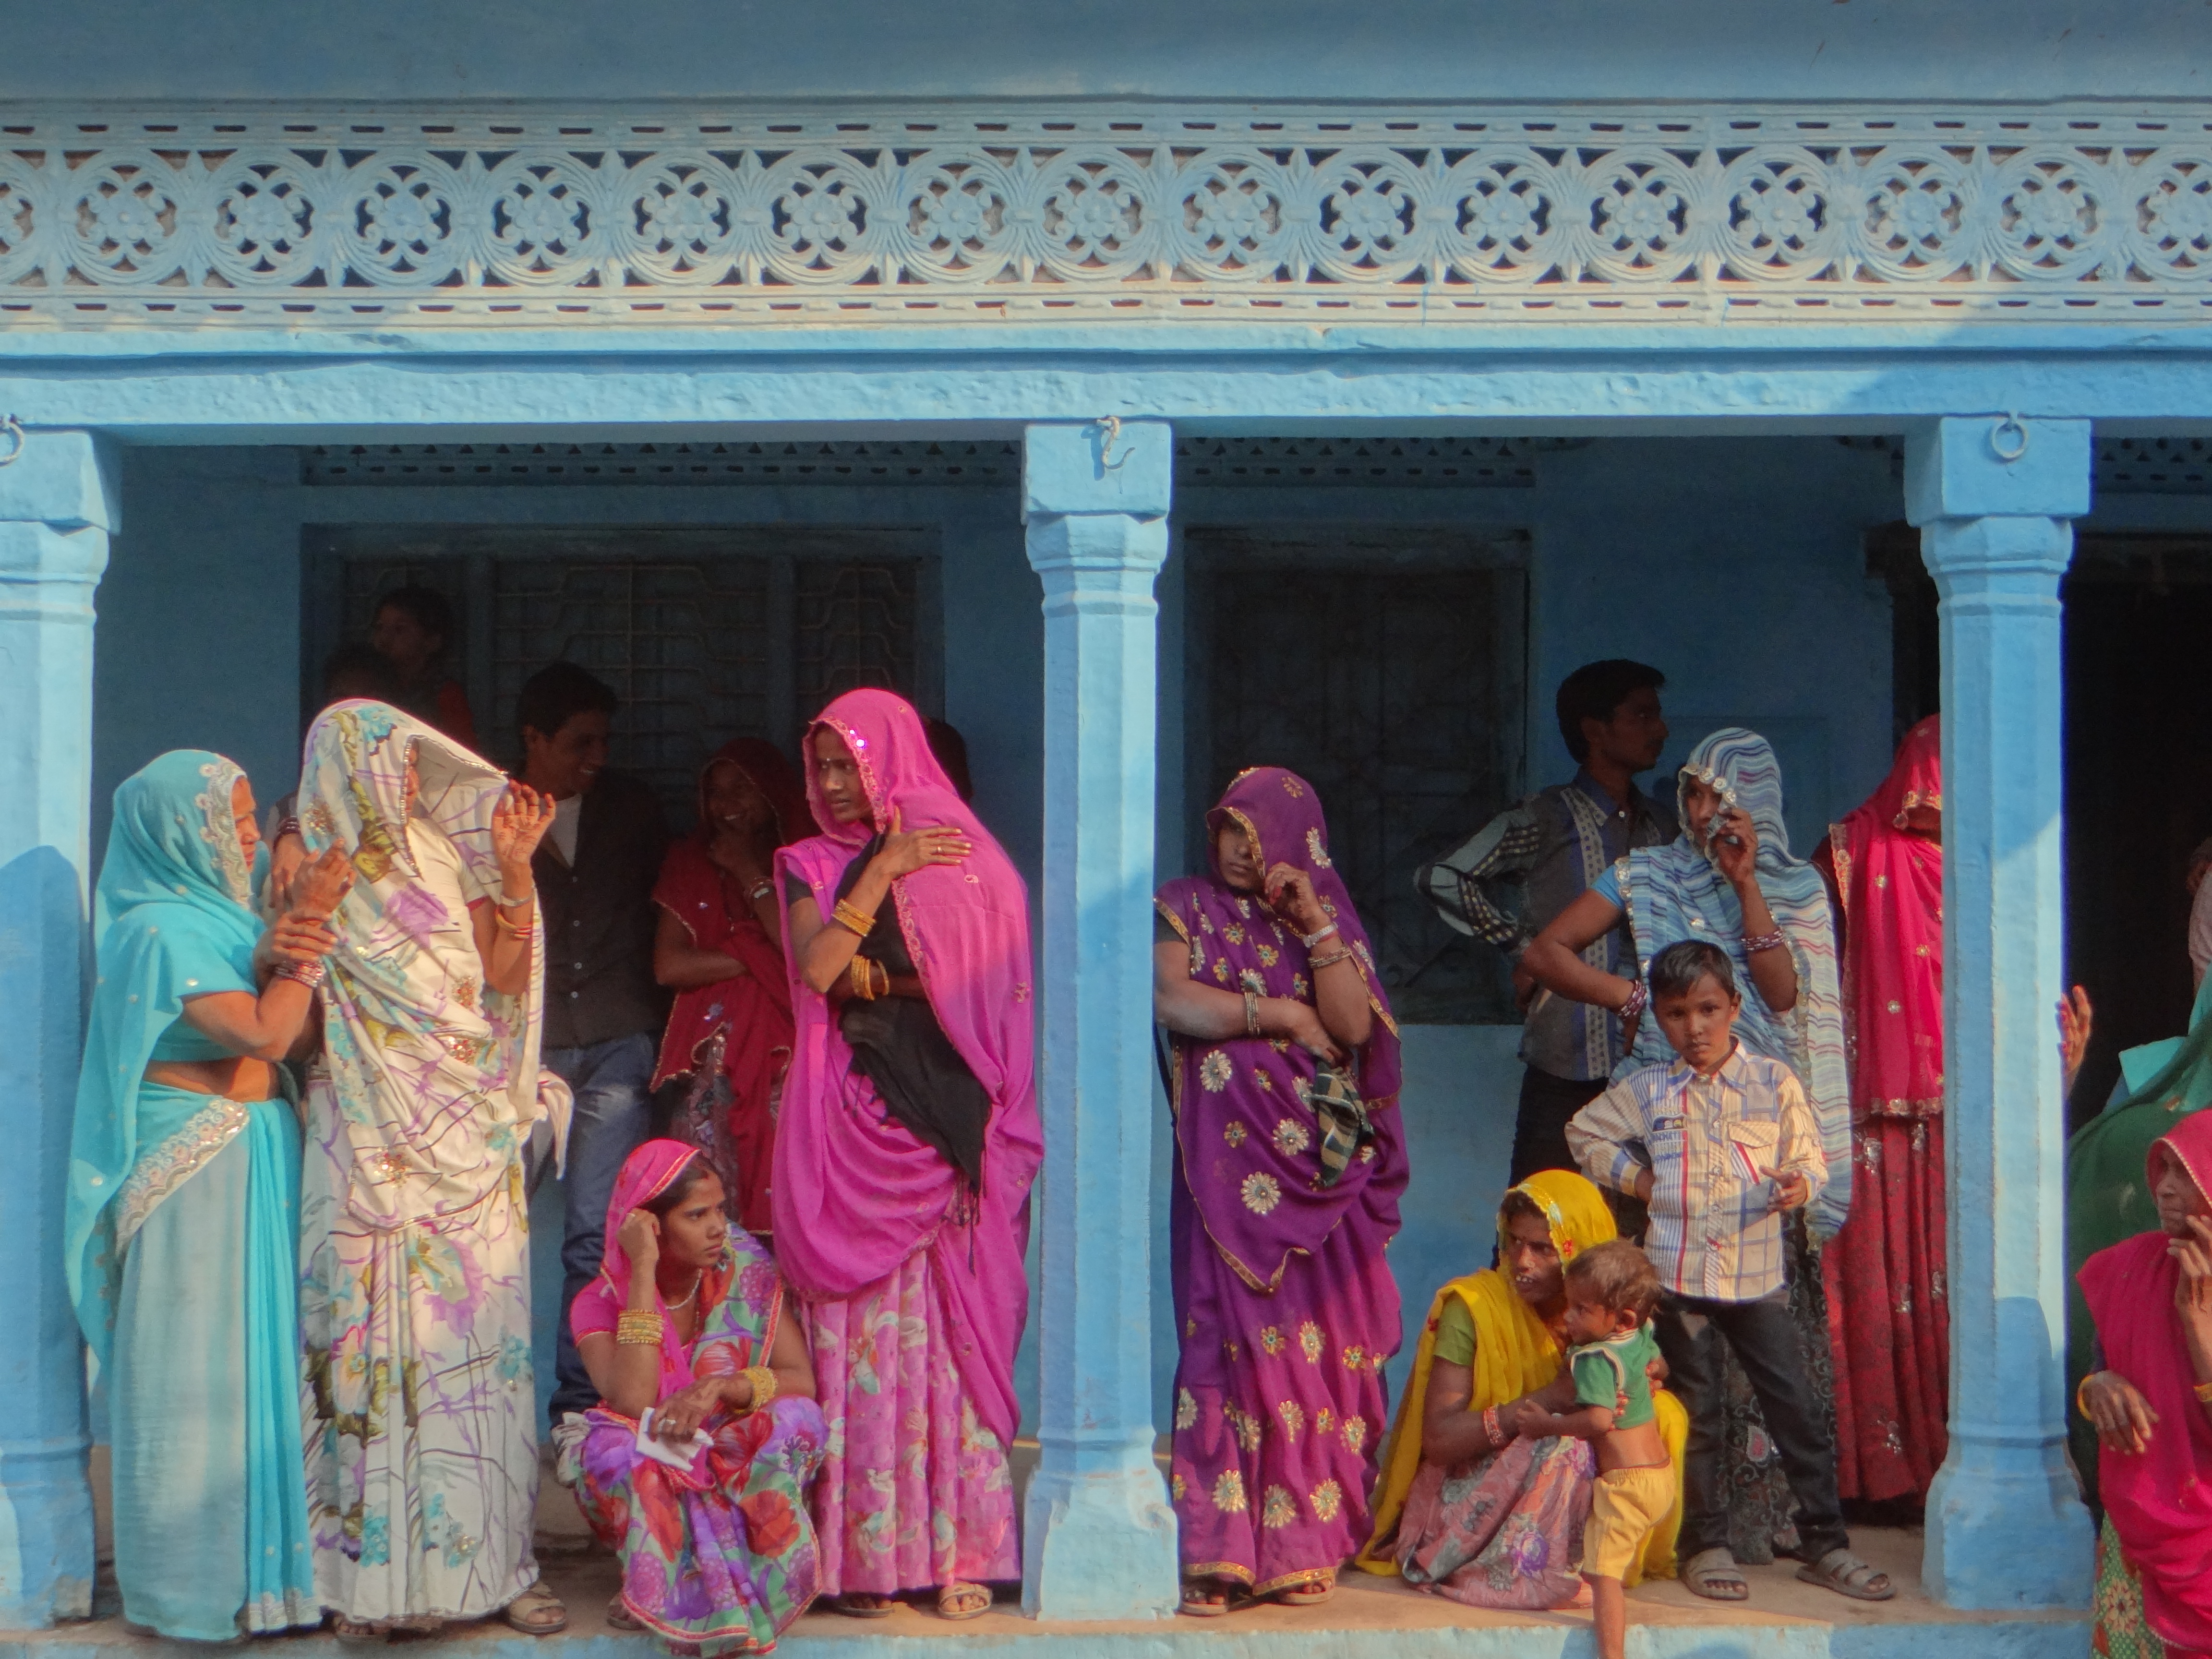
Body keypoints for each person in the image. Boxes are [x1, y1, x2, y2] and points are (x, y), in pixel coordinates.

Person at [1523, 726, 1850, 1566]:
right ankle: (1701, 1539)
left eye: (1720, 797)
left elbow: (1779, 997)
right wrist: (1634, 997)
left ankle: (1795, 1532)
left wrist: (1744, 885)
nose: (1702, 813)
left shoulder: (1793, 889)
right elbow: (1545, 950)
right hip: (1665, 1154)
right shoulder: (1645, 874)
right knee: (1691, 1386)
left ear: (1757, 805)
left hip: (1757, 1166)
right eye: (1692, 796)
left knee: (1781, 1387)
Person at [293, 701, 570, 1637]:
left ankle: (491, 1567)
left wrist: (520, 870)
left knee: (473, 1357)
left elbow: (499, 973)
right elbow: (291, 1000)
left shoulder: (445, 854)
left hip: (461, 1145)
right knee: (364, 1351)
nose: (410, 780)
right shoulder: (307, 865)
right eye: (395, 762)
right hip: (361, 1139)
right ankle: (365, 1586)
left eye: (414, 764)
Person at [62, 752, 349, 1640]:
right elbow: (267, 1033)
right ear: (179, 832)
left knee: (257, 1366)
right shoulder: (157, 931)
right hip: (195, 1173)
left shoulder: (222, 923)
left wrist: (282, 940)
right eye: (235, 823)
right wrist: (308, 930)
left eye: (250, 820)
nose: (254, 839)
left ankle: (265, 1589)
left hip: (255, 1154)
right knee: (196, 1372)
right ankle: (186, 1589)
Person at [773, 689, 1041, 1620]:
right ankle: (863, 1562)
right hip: (849, 1127)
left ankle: (965, 1551)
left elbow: (992, 978)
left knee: (950, 1346)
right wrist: (882, 871)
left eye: (851, 763)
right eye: (825, 767)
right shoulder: (808, 862)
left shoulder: (968, 858)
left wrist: (886, 984)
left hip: (945, 1133)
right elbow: (817, 972)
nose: (838, 784)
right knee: (863, 1348)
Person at [1567, 940, 1891, 1604]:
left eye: (1709, 1010)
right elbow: (1584, 1133)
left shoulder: (1774, 1083)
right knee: (1700, 1415)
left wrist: (1796, 1188)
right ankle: (1704, 1544)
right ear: (1660, 1018)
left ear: (1735, 1008)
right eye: (1678, 1013)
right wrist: (1642, 1180)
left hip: (1756, 1283)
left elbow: (1810, 1160)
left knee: (1795, 1408)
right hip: (1677, 1281)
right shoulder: (1652, 1089)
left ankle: (1825, 1544)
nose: (1696, 1028)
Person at [1154, 766, 1407, 1615]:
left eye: (1255, 836)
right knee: (1220, 1350)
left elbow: (1351, 1028)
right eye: (1228, 830)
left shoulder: (1318, 918)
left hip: (1317, 1182)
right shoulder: (1182, 904)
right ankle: (1218, 1555)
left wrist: (1313, 927)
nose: (1236, 851)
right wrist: (1280, 1017)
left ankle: (1301, 1544)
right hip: (1225, 1181)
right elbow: (1172, 1001)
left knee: (1311, 1357)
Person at [1357, 1171, 1684, 1611]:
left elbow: (1647, 1363)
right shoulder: (1473, 1309)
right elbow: (1439, 1441)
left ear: (1581, 1252)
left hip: (1568, 1477)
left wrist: (1647, 1374)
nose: (1521, 1260)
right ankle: (1524, 1572)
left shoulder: (1604, 1317)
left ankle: (1606, 1556)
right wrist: (1547, 1402)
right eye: (1514, 1242)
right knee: (1563, 1445)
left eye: (1542, 1248)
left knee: (1664, 1414)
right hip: (1471, 1488)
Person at [1417, 661, 1674, 1189]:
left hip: (1656, 1067)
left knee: (1641, 1236)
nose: (1660, 729)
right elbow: (1442, 877)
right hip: (1566, 1062)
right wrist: (1522, 947)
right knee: (1541, 1225)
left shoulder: (1664, 825)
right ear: (1594, 729)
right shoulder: (1545, 817)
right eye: (1642, 715)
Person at [565, 1139, 827, 1653]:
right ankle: (660, 1581)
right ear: (652, 1226)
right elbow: (635, 1400)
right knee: (612, 1452)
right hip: (658, 1448)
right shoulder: (598, 1302)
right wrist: (641, 1270)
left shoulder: (744, 1268)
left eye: (721, 1210)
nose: (717, 1228)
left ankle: (749, 1567)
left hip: (725, 1435)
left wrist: (721, 1387)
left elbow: (800, 1378)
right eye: (697, 1215)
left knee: (799, 1419)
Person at [517, 661, 672, 1431]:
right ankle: (481, 1404)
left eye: (604, 741)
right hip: (524, 1049)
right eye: (580, 741)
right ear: (533, 740)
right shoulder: (491, 814)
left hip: (616, 1042)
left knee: (593, 1235)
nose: (597, 756)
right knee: (483, 1231)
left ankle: (577, 1409)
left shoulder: (635, 811)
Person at [1808, 715, 1948, 1506]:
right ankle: (1871, 1480)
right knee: (1872, 1288)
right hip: (1867, 1113)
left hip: (1958, 1114)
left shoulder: (1990, 864)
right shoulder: (1850, 852)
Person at [652, 739, 811, 1237]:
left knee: (792, 1199)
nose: (728, 805)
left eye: (742, 789)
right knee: (711, 1201)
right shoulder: (689, 861)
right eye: (716, 793)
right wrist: (752, 956)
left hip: (793, 1062)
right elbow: (670, 966)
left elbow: (801, 955)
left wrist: (747, 871)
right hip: (714, 1066)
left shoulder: (805, 864)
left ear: (772, 793)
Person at [2076, 1110, 2212, 1659]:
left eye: (2187, 1172)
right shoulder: (2129, 1268)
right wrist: (2097, 1387)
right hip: (2139, 1534)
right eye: (2163, 1169)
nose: (2166, 1187)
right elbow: (2098, 1368)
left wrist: (2199, 1330)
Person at [1530, 1240, 1674, 1659]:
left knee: (1603, 1576)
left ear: (1622, 1317)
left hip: (1626, 1487)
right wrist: (1651, 1373)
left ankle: (1613, 1655)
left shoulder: (1595, 1358)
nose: (1568, 1317)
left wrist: (1546, 1426)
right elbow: (1660, 1365)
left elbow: (1597, 1421)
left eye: (1580, 1309)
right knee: (1609, 1559)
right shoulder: (1640, 1334)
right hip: (1661, 1475)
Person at [264, 644, 404, 904]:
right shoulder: (290, 811)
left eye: (366, 697)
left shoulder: (422, 804)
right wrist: (290, 833)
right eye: (341, 697)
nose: (352, 710)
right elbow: (276, 900)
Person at [369, 584, 478, 747]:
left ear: (432, 642)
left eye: (399, 630)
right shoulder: (369, 686)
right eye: (380, 628)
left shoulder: (445, 694)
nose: (384, 639)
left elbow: (462, 753)